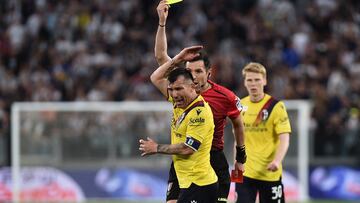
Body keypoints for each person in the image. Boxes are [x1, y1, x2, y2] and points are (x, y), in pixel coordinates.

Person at [153, 1, 247, 202]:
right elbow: (161, 57)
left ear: (209, 72)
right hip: (183, 159)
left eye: (198, 71)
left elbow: (238, 125)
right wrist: (162, 22)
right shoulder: (179, 94)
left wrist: (240, 159)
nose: (193, 76)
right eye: (190, 71)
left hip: (212, 158)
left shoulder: (225, 97)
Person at [140, 48, 218, 203]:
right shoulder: (179, 103)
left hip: (199, 183)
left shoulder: (199, 113)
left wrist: (157, 148)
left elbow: (188, 148)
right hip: (183, 177)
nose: (174, 94)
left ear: (193, 87)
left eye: (179, 89)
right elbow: (155, 77)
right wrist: (178, 58)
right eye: (172, 89)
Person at [235, 62, 291, 203]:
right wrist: (236, 164)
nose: (253, 84)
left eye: (257, 80)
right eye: (249, 80)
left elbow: (284, 138)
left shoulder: (276, 106)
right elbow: (238, 139)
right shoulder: (240, 105)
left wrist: (277, 161)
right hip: (245, 173)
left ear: (264, 81)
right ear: (245, 83)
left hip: (269, 172)